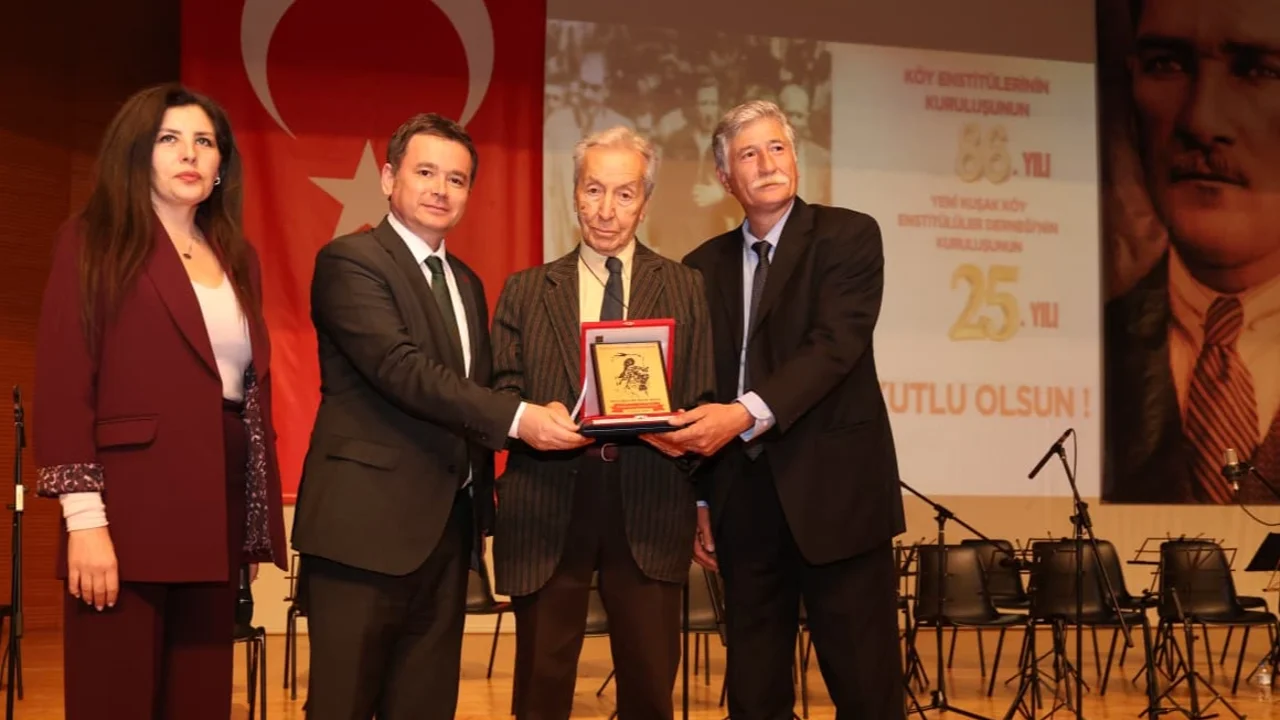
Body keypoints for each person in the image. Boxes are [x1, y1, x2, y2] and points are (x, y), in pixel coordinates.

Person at [292, 112, 586, 720]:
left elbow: (472, 392)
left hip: (448, 535)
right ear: (388, 178)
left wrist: (551, 409)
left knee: (425, 705)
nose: (441, 189)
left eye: (457, 179)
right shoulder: (350, 261)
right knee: (343, 705)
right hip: (362, 533)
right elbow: (402, 369)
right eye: (425, 172)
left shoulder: (468, 283)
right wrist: (521, 416)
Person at [32, 82, 288, 719]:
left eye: (205, 141)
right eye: (169, 138)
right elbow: (65, 383)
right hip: (128, 510)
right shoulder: (92, 239)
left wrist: (252, 523)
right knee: (112, 699)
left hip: (216, 508)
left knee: (199, 701)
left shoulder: (239, 257)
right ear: (137, 151)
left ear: (222, 162)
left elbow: (246, 393)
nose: (190, 153)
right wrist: (85, 521)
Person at [671, 100, 906, 719]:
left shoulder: (849, 236)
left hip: (838, 498)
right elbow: (698, 383)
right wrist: (701, 499)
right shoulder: (700, 268)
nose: (767, 163)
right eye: (748, 154)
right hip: (741, 500)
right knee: (754, 693)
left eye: (777, 147)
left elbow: (834, 347)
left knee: (867, 689)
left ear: (796, 159)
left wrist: (742, 414)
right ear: (725, 178)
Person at [490, 125, 715, 719]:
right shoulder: (526, 290)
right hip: (548, 498)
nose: (606, 210)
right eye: (593, 190)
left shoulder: (685, 287)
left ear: (645, 201)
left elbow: (703, 395)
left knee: (649, 688)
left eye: (624, 193)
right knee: (540, 688)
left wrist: (684, 441)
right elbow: (500, 393)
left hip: (651, 497)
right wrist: (531, 417)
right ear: (574, 194)